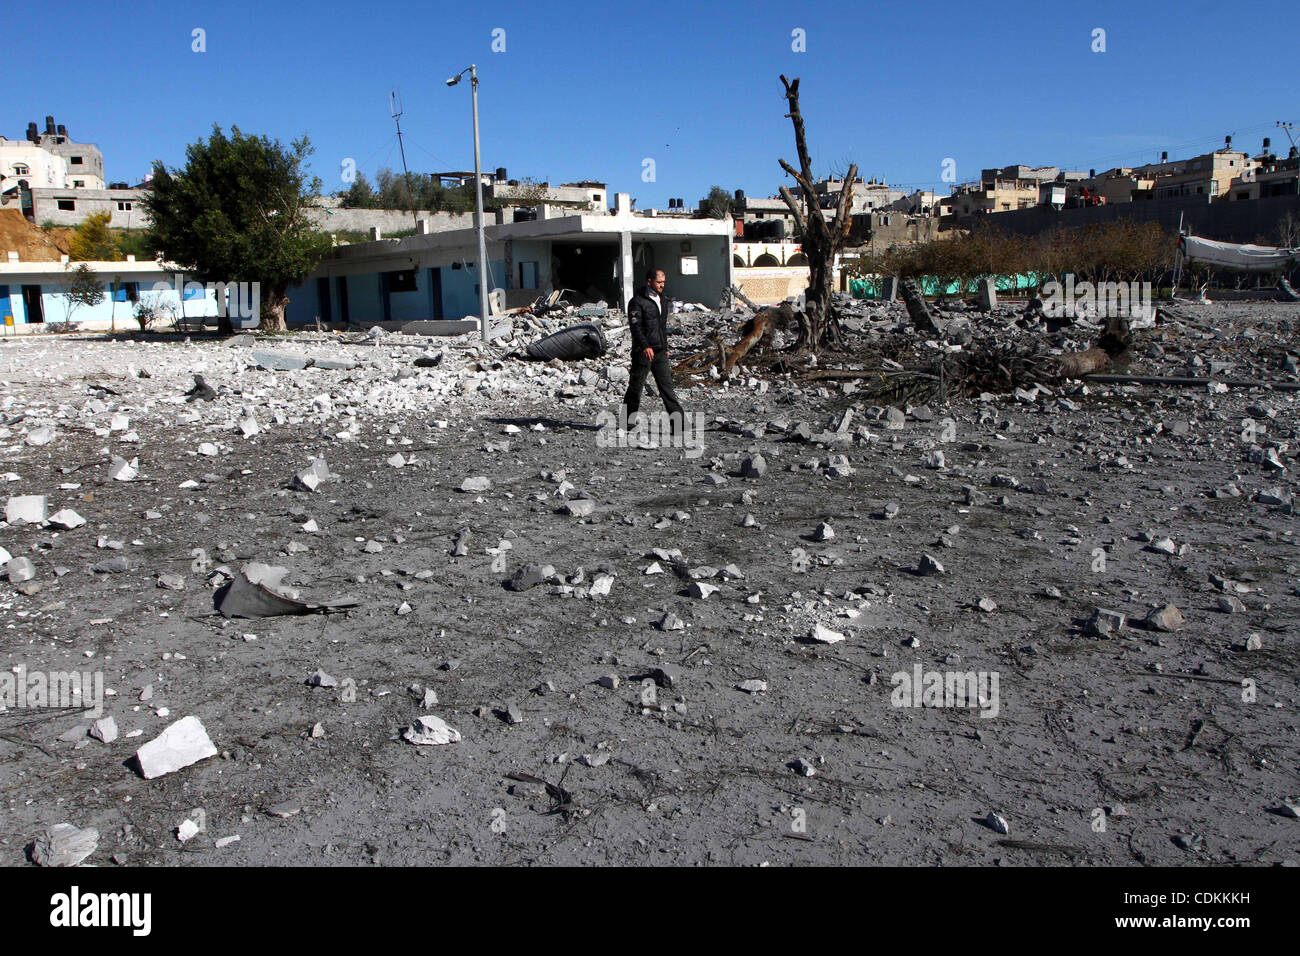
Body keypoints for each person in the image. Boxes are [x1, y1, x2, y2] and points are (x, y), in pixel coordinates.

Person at [623, 268, 684, 435]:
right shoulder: (636, 302)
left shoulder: (663, 300)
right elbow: (635, 327)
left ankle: (679, 425)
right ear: (649, 281)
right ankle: (626, 422)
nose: (662, 285)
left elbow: (661, 328)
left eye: (664, 282)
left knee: (667, 388)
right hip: (643, 352)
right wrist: (645, 346)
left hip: (659, 352)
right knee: (636, 388)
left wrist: (665, 348)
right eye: (659, 282)